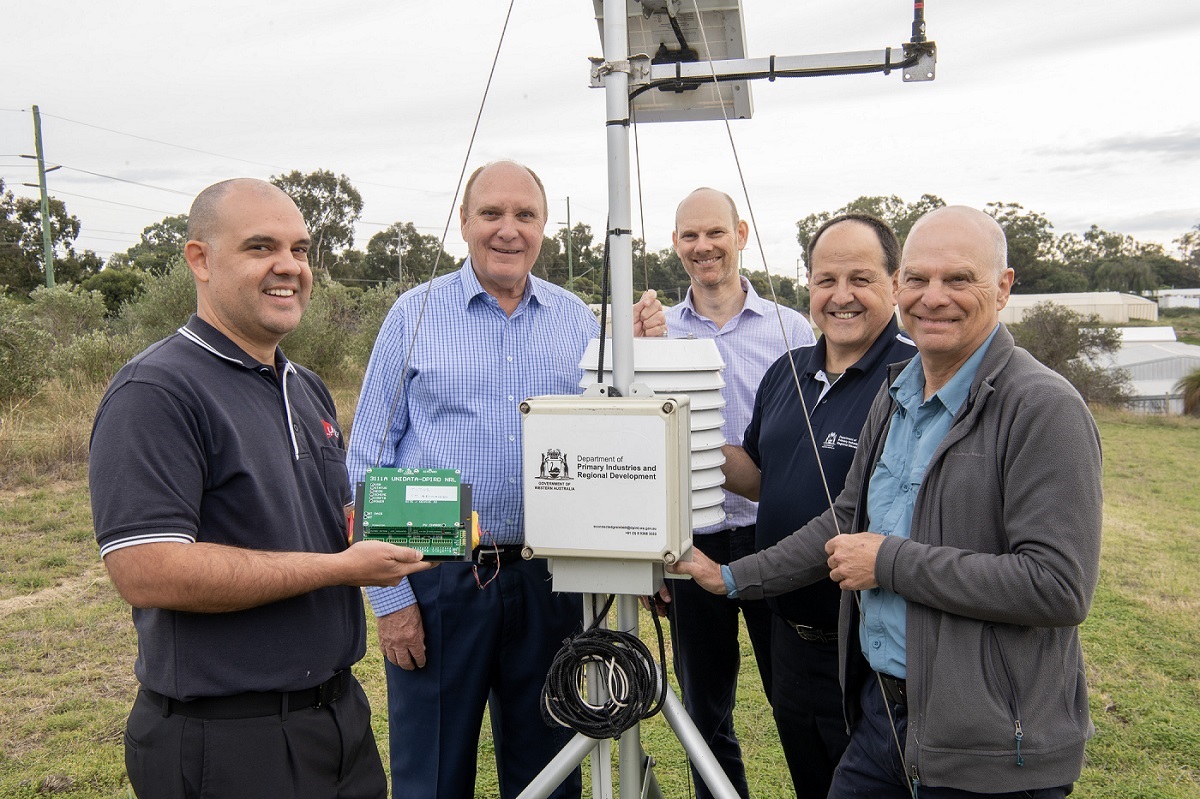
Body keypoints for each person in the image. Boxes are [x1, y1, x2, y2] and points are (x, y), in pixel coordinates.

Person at [672, 205, 1102, 798]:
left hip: (989, 742)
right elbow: (844, 518)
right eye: (920, 280)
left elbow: (1057, 586)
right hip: (884, 713)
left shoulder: (1042, 408)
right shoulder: (900, 393)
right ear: (902, 286)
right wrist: (732, 577)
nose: (934, 298)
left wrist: (889, 562)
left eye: (958, 280)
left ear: (1002, 289)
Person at [90, 178, 434, 799]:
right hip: (227, 740)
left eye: (300, 250)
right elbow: (146, 570)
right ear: (200, 259)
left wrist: (429, 521)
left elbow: (324, 516)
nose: (290, 267)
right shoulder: (157, 392)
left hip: (336, 719)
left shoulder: (304, 385)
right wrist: (336, 569)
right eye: (260, 247)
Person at [347, 160, 665, 799]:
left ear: (545, 228)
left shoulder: (576, 321)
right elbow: (368, 462)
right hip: (437, 575)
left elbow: (613, 440)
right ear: (464, 223)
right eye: (491, 213)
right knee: (432, 773)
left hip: (548, 579)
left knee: (551, 765)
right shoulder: (416, 313)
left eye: (525, 215)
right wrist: (391, 603)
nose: (508, 230)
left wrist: (638, 350)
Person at [720, 213, 916, 798]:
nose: (842, 296)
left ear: (894, 282)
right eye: (826, 279)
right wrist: (677, 427)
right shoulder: (788, 372)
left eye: (861, 277)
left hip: (867, 647)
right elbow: (759, 481)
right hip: (788, 639)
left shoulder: (912, 377)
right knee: (812, 782)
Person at [653, 187, 815, 799]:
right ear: (675, 244)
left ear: (741, 233)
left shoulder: (788, 327)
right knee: (704, 709)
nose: (703, 247)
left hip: (775, 533)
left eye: (714, 233)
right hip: (693, 541)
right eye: (689, 236)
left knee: (796, 696)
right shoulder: (656, 329)